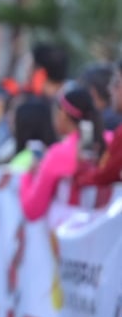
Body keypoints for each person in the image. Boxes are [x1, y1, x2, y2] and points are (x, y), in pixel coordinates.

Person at [19, 84, 109, 221]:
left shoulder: (57, 155)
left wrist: (28, 174)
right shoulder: (112, 141)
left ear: (63, 114)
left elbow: (32, 210)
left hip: (72, 238)